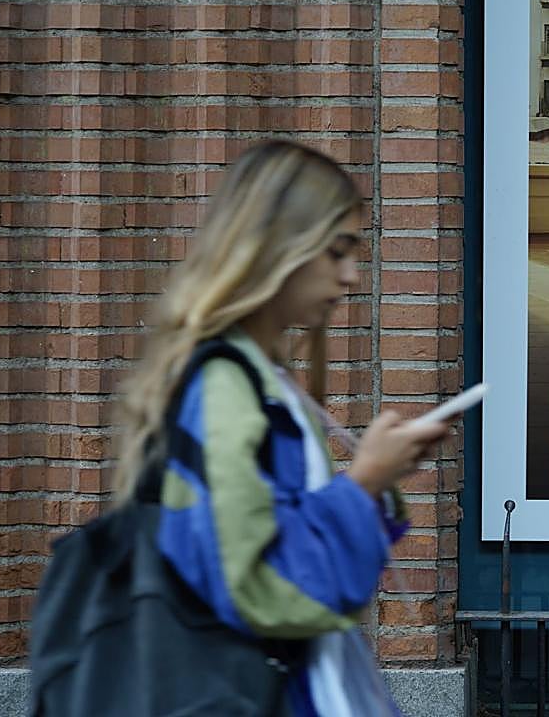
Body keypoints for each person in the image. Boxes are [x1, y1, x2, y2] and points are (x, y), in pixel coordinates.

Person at [112, 139, 448, 715]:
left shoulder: (257, 378)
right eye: (337, 251)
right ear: (276, 248)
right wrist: (364, 481)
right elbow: (259, 588)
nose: (353, 276)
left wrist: (372, 477)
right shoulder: (226, 389)